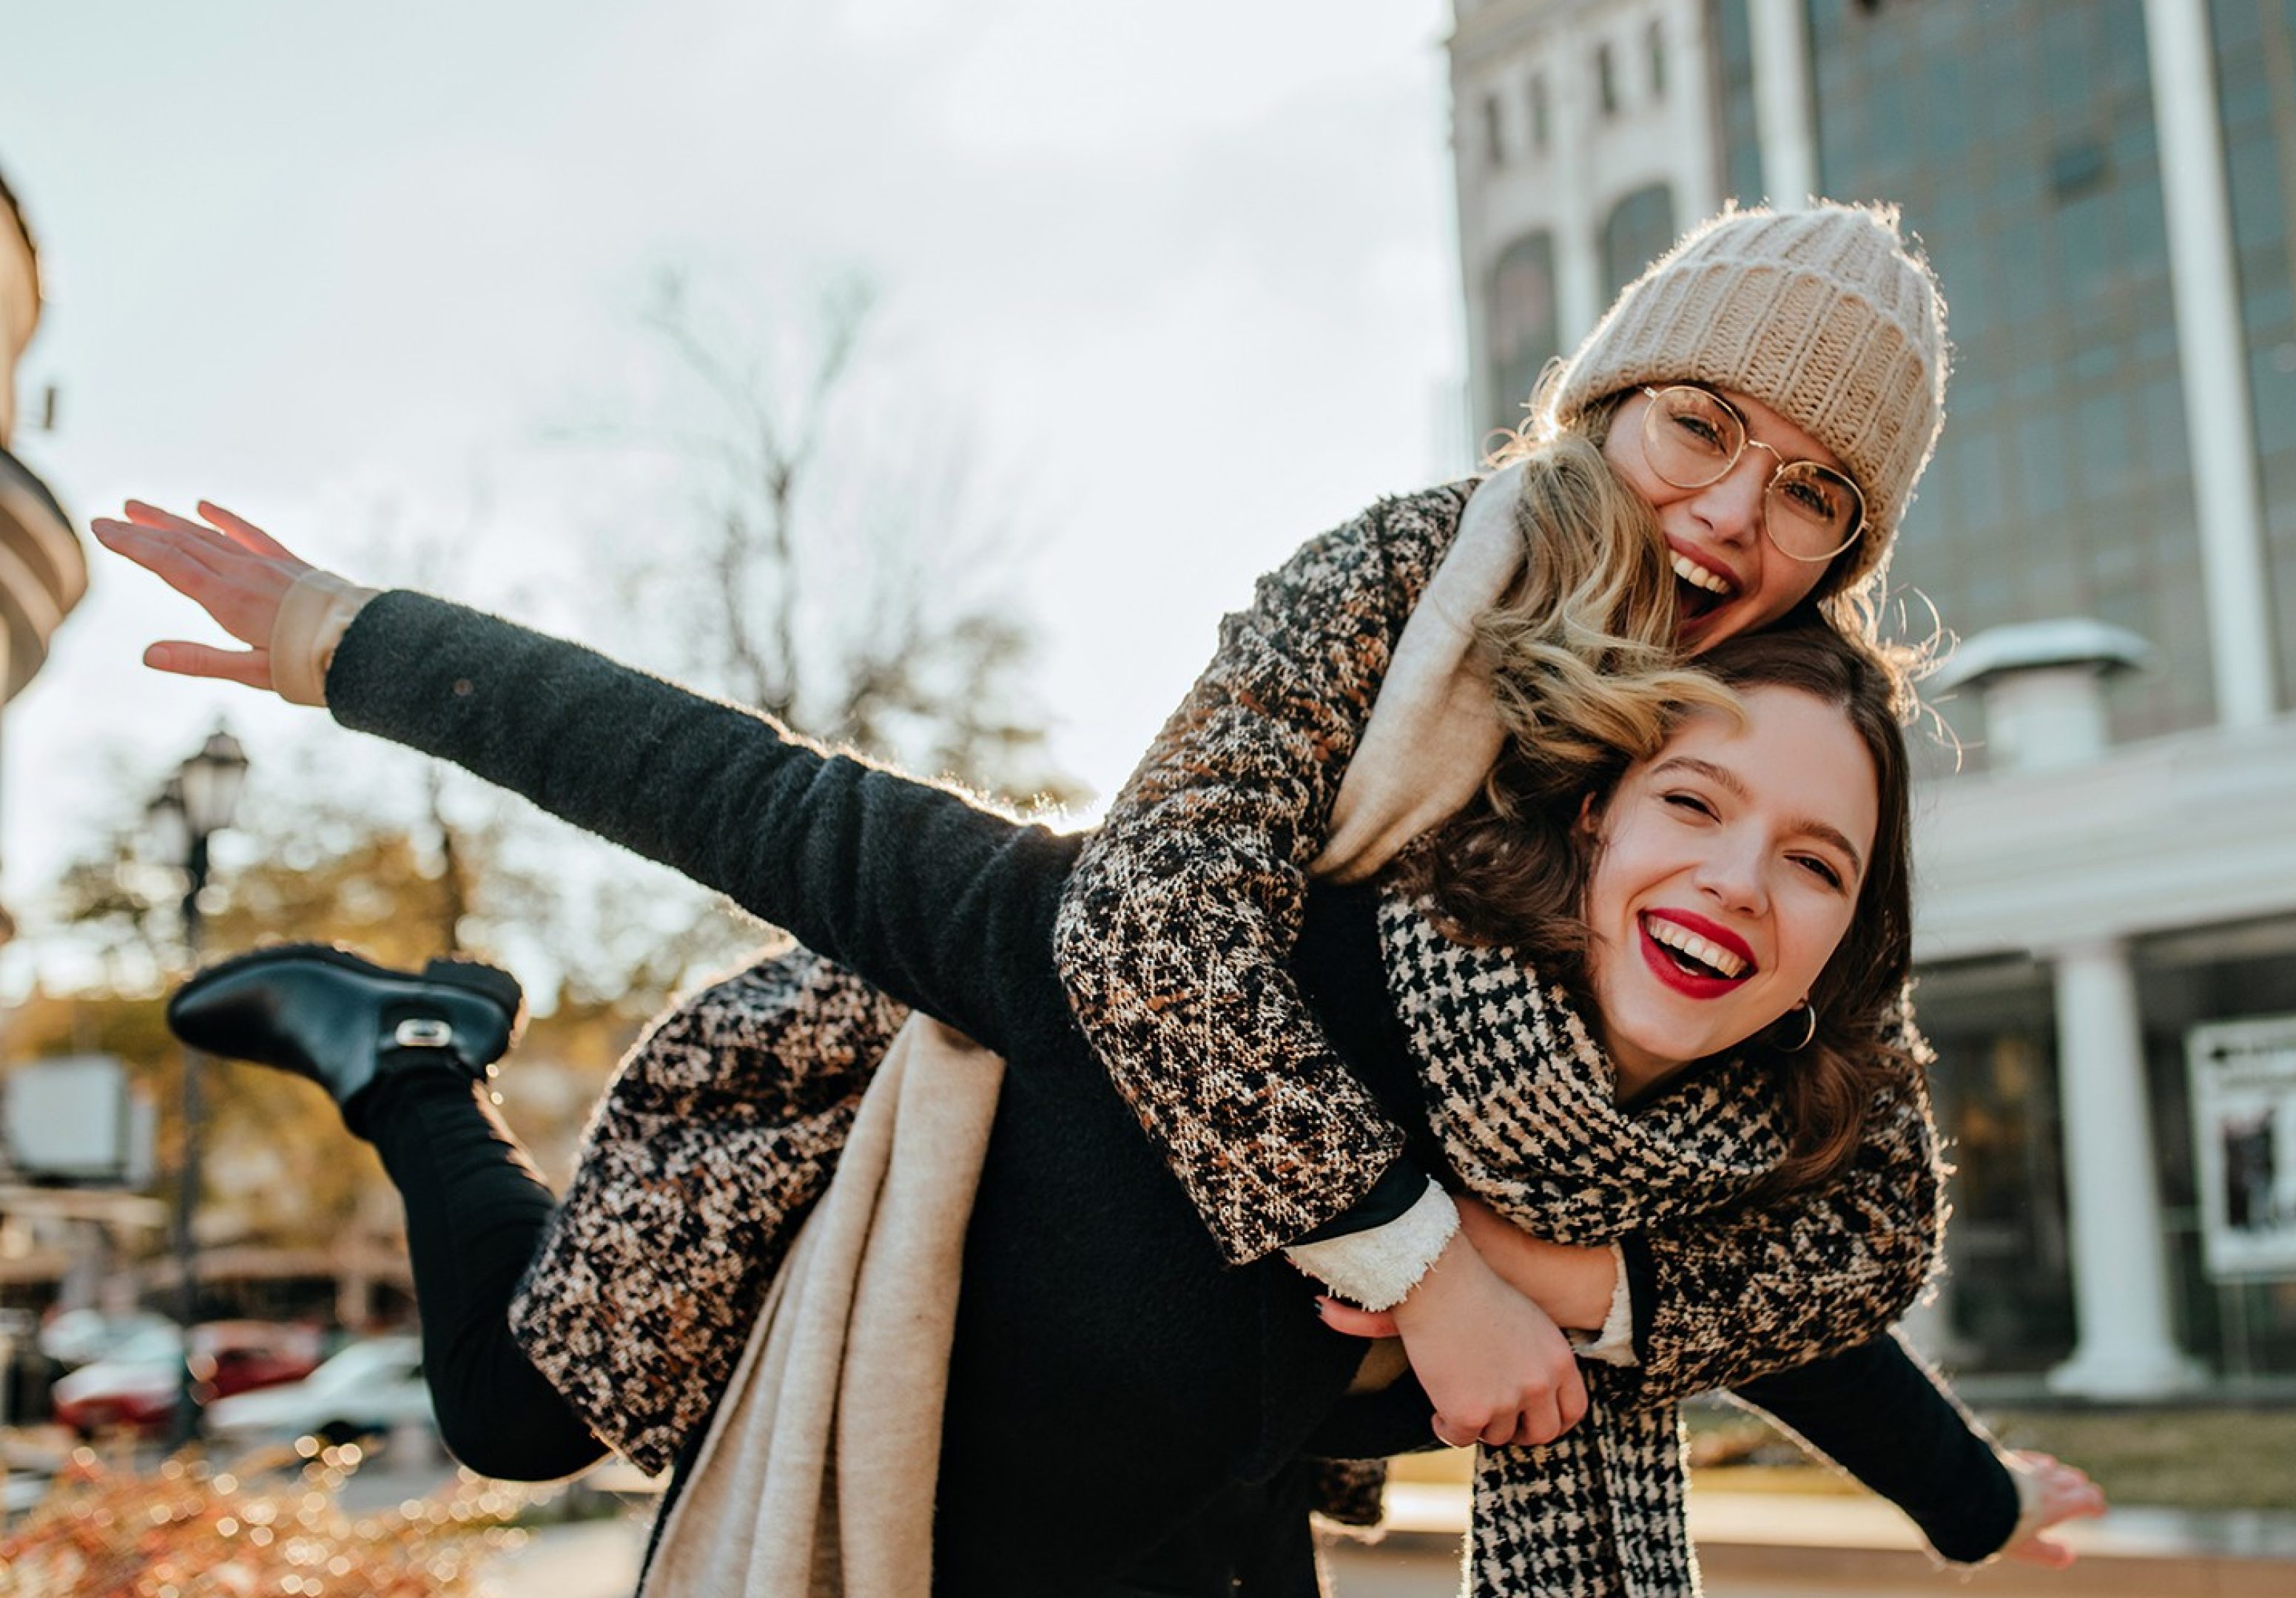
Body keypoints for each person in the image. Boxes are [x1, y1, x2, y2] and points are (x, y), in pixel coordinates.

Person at [101, 202, 2105, 1592]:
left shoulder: (1712, 882)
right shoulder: (1397, 603)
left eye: (1814, 492)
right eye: (1702, 427)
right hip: (956, 1099)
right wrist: (351, 643)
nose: (1731, 515)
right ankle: (415, 1060)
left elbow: (1813, 1233)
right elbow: (878, 841)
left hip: (1197, 1495)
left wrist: (1934, 1482)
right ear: (1605, 407)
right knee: (522, 1416)